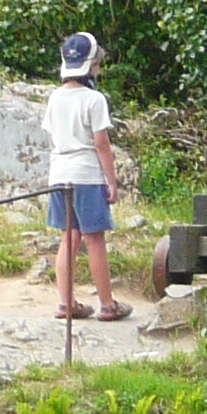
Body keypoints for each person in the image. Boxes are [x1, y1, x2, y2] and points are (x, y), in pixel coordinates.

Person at [46, 31, 130, 323]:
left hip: (59, 174)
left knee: (68, 237)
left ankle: (66, 302)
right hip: (87, 175)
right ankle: (107, 304)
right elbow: (101, 143)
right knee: (94, 239)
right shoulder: (94, 99)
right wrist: (112, 181)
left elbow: (54, 139)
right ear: (92, 65)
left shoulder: (55, 97)